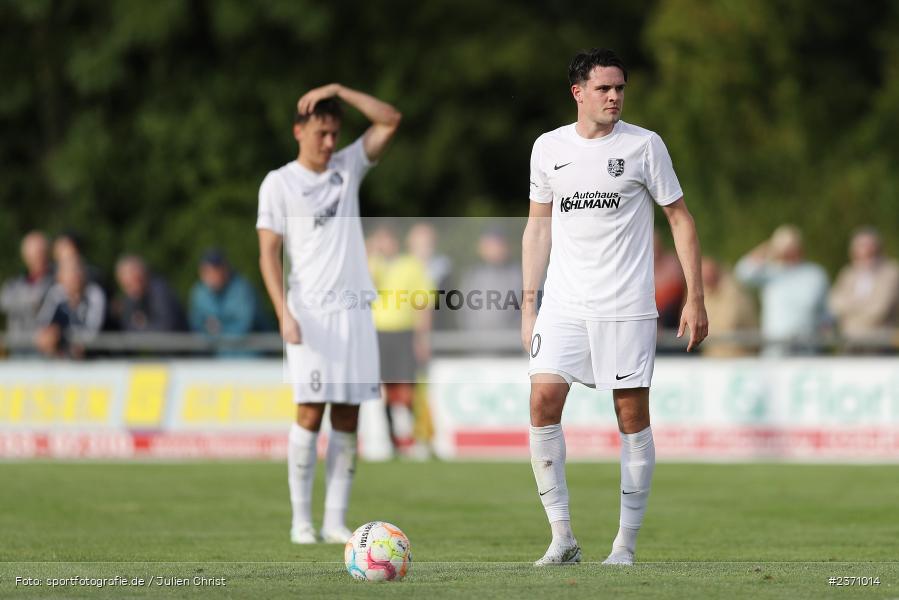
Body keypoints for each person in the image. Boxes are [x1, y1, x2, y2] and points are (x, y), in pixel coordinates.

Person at [522, 48, 707, 567]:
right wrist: (528, 303)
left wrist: (696, 296)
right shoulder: (548, 148)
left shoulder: (645, 146)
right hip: (563, 304)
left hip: (625, 305)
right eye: (604, 89)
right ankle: (562, 537)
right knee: (541, 403)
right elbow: (537, 225)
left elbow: (681, 219)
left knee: (630, 416)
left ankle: (623, 545)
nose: (614, 97)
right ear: (578, 92)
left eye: (620, 88)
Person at [256, 83, 401, 545]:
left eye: (334, 133)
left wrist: (339, 89)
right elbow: (267, 254)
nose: (329, 142)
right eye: (320, 132)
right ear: (299, 131)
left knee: (348, 415)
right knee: (309, 410)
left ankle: (335, 520)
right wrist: (283, 312)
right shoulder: (279, 183)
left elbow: (390, 119)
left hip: (354, 311)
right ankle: (301, 520)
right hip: (310, 314)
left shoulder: (347, 166)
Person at [368, 224, 434, 456]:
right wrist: (373, 257)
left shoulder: (411, 265)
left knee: (409, 389)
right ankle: (392, 441)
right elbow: (366, 288)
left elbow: (423, 302)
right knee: (385, 390)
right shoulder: (372, 264)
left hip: (405, 334)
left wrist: (421, 337)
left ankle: (420, 440)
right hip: (379, 334)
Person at [735, 225, 829, 355]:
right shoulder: (770, 271)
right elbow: (742, 273)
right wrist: (770, 248)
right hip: (775, 349)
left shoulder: (814, 274)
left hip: (807, 348)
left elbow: (824, 310)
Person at [828, 227, 899, 350]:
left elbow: (879, 310)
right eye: (861, 246)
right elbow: (834, 304)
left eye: (869, 246)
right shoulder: (848, 274)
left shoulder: (891, 273)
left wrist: (850, 309)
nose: (866, 250)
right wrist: (862, 305)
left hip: (881, 344)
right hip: (850, 342)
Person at [34, 258, 106, 358]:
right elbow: (42, 325)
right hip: (61, 357)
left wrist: (65, 336)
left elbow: (92, 331)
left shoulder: (94, 294)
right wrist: (50, 334)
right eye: (69, 272)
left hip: (93, 358)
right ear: (59, 277)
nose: (74, 276)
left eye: (77, 270)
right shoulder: (55, 294)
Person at [188, 249, 268, 339]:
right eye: (208, 271)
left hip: (247, 350)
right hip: (215, 351)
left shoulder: (242, 290)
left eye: (216, 271)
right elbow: (196, 326)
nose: (212, 276)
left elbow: (245, 326)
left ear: (225, 270)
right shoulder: (199, 292)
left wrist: (218, 330)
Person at [457, 227, 522, 332]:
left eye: (497, 244)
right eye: (489, 245)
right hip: (476, 343)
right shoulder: (471, 276)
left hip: (510, 343)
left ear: (506, 247)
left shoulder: (519, 275)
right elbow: (463, 312)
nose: (494, 249)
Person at [1, 231, 54, 354]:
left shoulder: (56, 283)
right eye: (33, 254)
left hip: (45, 352)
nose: (37, 258)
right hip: (18, 350)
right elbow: (4, 302)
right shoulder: (13, 285)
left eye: (40, 253)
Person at [112, 254, 187, 332]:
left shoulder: (160, 292)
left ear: (142, 276)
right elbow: (128, 328)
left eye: (132, 283)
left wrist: (142, 326)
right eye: (125, 285)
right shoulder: (131, 299)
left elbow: (166, 328)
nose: (130, 291)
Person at [701, 257, 758, 357]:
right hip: (713, 358)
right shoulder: (701, 294)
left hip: (739, 357)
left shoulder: (734, 293)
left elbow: (729, 324)